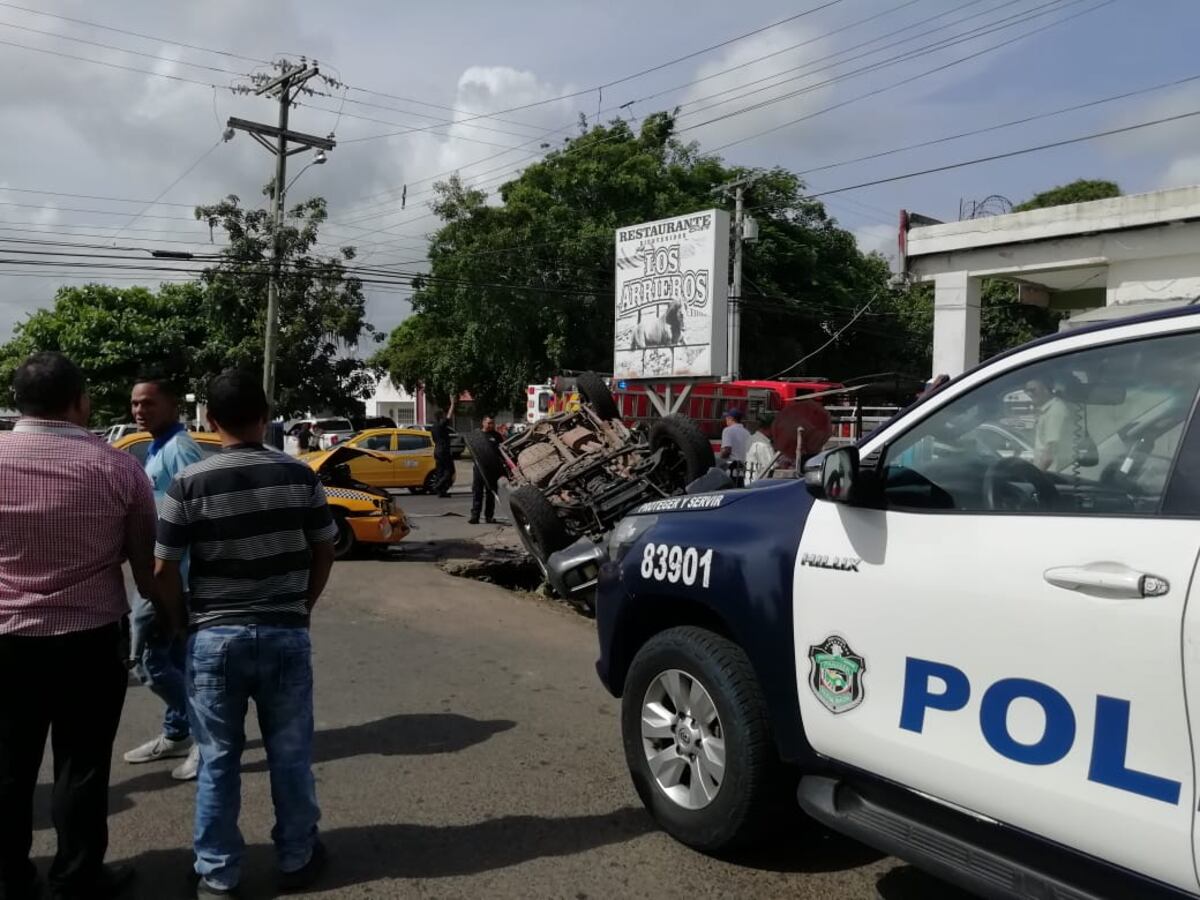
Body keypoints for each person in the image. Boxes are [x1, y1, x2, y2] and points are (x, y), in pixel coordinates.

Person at [154, 369, 336, 898]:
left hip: (214, 637)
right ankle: (298, 856)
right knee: (291, 754)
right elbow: (324, 549)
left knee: (218, 760)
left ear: (209, 421)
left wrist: (182, 621)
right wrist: (302, 606)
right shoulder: (300, 475)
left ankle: (217, 872)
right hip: (285, 632)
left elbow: (164, 568)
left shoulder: (189, 482)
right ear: (265, 415)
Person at [0, 352, 167, 900]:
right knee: (82, 763)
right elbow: (147, 571)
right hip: (89, 640)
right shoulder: (119, 468)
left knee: (8, 764)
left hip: (5, 638)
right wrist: (177, 622)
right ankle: (78, 876)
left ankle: (10, 879)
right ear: (79, 401)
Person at [123, 375, 205, 781]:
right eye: (136, 404)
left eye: (149, 404)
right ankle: (178, 733)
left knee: (148, 661)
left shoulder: (180, 450)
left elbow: (196, 515)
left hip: (175, 578)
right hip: (160, 573)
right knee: (174, 660)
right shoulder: (159, 447)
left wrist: (170, 579)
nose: (139, 411)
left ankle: (203, 737)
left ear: (173, 405)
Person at [1026, 376, 1074, 471]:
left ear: (1046, 389)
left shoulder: (1055, 411)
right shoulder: (1048, 410)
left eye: (1033, 390)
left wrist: (1036, 478)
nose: (1029, 394)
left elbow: (1049, 456)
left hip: (1052, 474)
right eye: (1026, 391)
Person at [469, 415, 500, 524]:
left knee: (490, 494)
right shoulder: (477, 435)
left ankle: (489, 517)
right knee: (477, 492)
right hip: (479, 469)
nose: (491, 425)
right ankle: (475, 516)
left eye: (492, 423)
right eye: (489, 423)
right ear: (483, 423)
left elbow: (501, 452)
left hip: (492, 470)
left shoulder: (496, 436)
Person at [431, 399, 456, 498]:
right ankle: (438, 486)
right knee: (449, 471)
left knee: (440, 471)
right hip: (444, 450)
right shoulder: (441, 425)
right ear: (441, 417)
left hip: (437, 450)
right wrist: (452, 404)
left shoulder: (433, 427)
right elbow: (449, 416)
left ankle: (442, 492)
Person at [719, 408, 751, 486]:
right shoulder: (747, 432)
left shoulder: (727, 430)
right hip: (744, 468)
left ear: (731, 418)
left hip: (732, 467)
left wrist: (720, 457)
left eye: (726, 417)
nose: (725, 419)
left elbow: (727, 450)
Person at [744, 416, 776, 484]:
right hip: (758, 485)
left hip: (748, 482)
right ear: (770, 428)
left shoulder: (751, 439)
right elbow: (772, 469)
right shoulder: (764, 445)